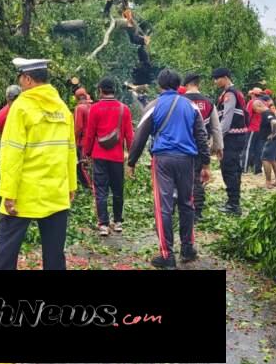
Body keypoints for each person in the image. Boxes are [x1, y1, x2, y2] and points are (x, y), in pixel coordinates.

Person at [0, 58, 77, 270]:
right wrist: (71, 186)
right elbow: (70, 150)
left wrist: (8, 192)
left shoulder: (21, 106)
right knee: (55, 255)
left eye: (20, 78)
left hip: (24, 194)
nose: (20, 82)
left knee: (6, 252)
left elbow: (12, 152)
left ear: (28, 79)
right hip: (56, 193)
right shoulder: (62, 108)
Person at [127, 69, 209, 268]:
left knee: (163, 206)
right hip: (187, 160)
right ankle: (188, 249)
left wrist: (131, 162)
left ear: (159, 85)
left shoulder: (154, 106)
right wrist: (205, 163)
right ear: (178, 84)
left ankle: (167, 255)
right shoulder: (191, 107)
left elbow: (141, 135)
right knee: (187, 203)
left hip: (163, 160)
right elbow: (201, 136)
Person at [83, 78, 134, 236]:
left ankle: (103, 224)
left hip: (99, 155)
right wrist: (132, 158)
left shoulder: (95, 109)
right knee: (118, 189)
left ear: (100, 91)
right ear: (115, 90)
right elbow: (129, 136)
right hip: (117, 157)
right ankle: (118, 222)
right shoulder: (123, 109)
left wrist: (87, 152)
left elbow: (90, 134)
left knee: (101, 190)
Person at [182, 72, 223, 221]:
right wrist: (218, 147)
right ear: (198, 84)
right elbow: (216, 128)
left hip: (181, 147)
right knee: (198, 178)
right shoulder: (208, 102)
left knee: (180, 179)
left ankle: (180, 209)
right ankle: (197, 212)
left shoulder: (180, 101)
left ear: (186, 85)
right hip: (200, 147)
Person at [212, 67, 249, 215]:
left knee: (229, 169)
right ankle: (233, 201)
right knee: (234, 169)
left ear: (225, 77)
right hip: (236, 137)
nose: (215, 82)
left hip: (232, 138)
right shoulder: (233, 92)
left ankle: (233, 205)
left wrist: (217, 140)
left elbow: (226, 120)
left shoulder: (230, 94)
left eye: (217, 78)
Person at [257, 94, 276, 188]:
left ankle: (268, 182)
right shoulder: (269, 111)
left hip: (273, 139)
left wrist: (273, 133)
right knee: (273, 160)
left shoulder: (267, 112)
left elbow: (274, 122)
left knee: (265, 159)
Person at [243, 88, 269, 175]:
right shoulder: (264, 103)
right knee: (259, 149)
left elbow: (248, 116)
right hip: (261, 130)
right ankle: (257, 170)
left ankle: (244, 168)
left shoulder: (252, 102)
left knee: (248, 148)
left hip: (252, 129)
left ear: (253, 94)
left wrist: (245, 127)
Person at [73, 87, 93, 189]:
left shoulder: (79, 108)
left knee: (82, 165)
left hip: (83, 141)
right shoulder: (92, 106)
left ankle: (89, 187)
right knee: (89, 164)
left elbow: (78, 127)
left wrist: (74, 140)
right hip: (93, 140)